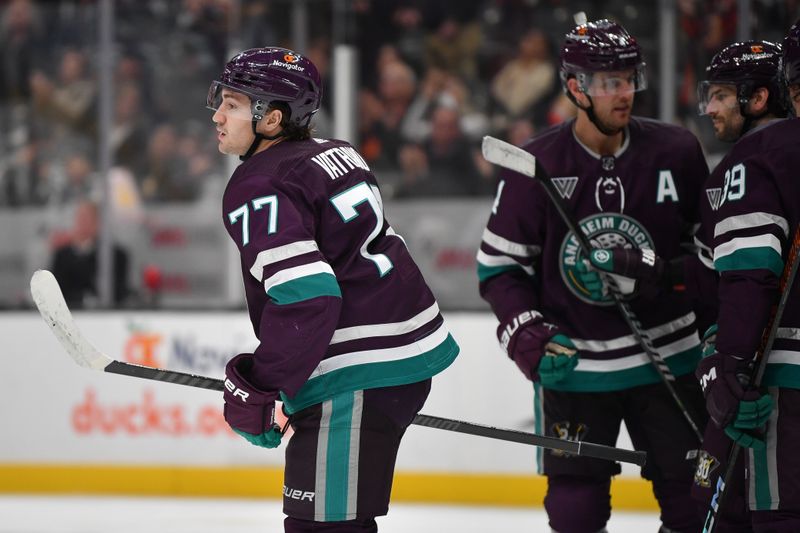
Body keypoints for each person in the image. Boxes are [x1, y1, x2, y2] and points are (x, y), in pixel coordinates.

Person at [207, 48, 459, 533]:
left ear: (272, 118)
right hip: (397, 355)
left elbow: (309, 295)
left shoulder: (259, 183)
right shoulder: (337, 152)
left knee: (324, 527)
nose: (217, 114)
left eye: (233, 104)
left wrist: (264, 382)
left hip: (357, 371)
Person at [476, 19, 709, 532]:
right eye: (608, 83)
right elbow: (499, 268)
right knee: (575, 510)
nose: (623, 94)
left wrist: (676, 288)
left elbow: (712, 257)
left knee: (693, 504)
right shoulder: (534, 164)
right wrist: (528, 334)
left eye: (628, 79)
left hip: (669, 358)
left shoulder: (678, 152)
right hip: (577, 368)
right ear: (575, 87)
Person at [691, 34, 800, 531]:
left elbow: (747, 274)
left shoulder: (753, 159)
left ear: (759, 98)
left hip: (786, 379)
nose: (709, 108)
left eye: (719, 94)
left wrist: (727, 365)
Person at [50, 198, 131, 308]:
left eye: (87, 218)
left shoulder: (116, 256)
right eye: (80, 218)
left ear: (98, 223)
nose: (82, 223)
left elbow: (118, 293)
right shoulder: (62, 256)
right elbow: (56, 293)